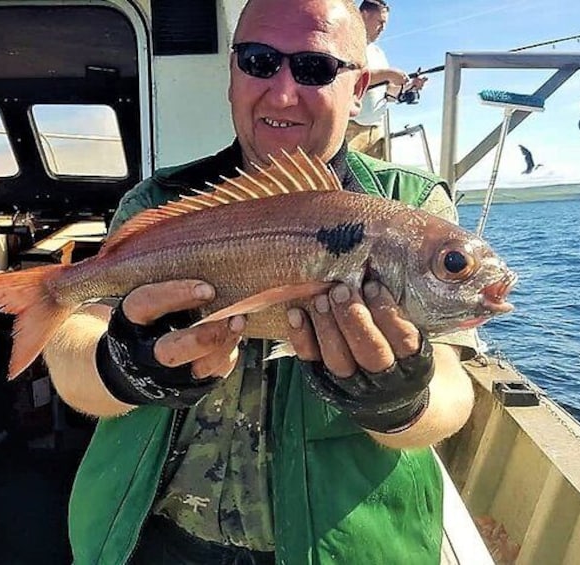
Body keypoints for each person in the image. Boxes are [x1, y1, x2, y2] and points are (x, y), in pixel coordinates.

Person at [43, 0, 477, 563]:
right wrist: (125, 366)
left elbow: (453, 388)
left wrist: (398, 401)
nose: (282, 92)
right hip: (154, 535)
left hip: (340, 545)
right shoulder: (159, 206)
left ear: (359, 86)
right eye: (258, 60)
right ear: (232, 74)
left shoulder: (411, 209)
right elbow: (72, 350)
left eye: (316, 69)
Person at [346, 0, 427, 160]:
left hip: (377, 131)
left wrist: (409, 87)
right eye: (380, 22)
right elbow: (349, 79)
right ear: (363, 15)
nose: (383, 28)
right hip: (351, 129)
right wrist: (388, 74)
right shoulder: (346, 45)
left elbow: (387, 94)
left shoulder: (378, 53)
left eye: (385, 23)